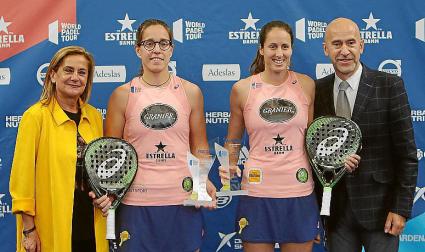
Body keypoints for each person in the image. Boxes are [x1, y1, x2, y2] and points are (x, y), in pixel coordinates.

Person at [104, 18, 216, 252]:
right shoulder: (122, 95)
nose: (156, 49)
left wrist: (202, 181)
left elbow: (200, 147)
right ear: (138, 49)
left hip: (182, 200)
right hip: (136, 204)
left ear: (171, 49)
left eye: (163, 43)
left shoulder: (191, 92)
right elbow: (111, 155)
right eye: (149, 43)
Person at [222, 20, 329, 252]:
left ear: (291, 49)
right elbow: (233, 140)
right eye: (272, 47)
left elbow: (312, 139)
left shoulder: (306, 85)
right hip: (257, 192)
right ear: (261, 49)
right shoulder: (242, 89)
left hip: (299, 191)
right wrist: (229, 164)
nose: (279, 53)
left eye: (284, 47)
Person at [314, 17, 418, 252]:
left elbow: (407, 155)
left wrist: (400, 208)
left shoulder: (389, 85)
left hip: (381, 211)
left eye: (351, 43)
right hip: (336, 214)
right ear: (325, 49)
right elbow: (313, 153)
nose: (344, 51)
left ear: (361, 45)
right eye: (337, 44)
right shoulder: (316, 90)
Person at [9, 46, 109, 252]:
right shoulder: (35, 117)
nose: (75, 77)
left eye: (82, 72)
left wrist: (107, 196)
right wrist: (29, 231)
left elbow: (102, 170)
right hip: (50, 226)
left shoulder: (95, 117)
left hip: (91, 222)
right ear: (53, 75)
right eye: (68, 70)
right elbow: (22, 179)